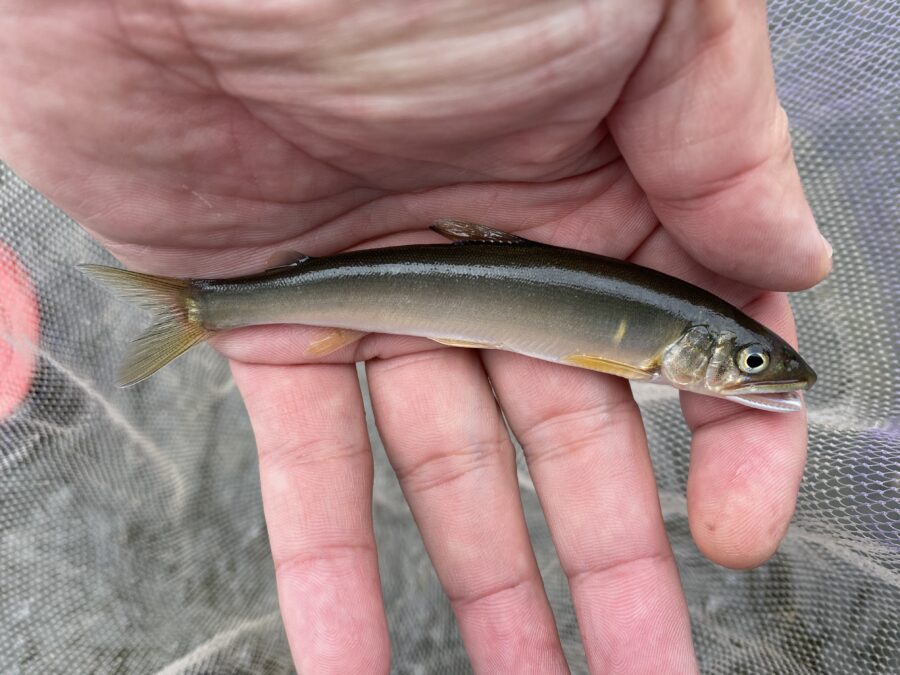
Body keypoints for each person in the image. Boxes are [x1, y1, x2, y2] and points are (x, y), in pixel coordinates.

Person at [0, 1, 831, 672]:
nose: (755, 374)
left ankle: (206, 305)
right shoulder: (656, 332)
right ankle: (205, 305)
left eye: (749, 362)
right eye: (748, 362)